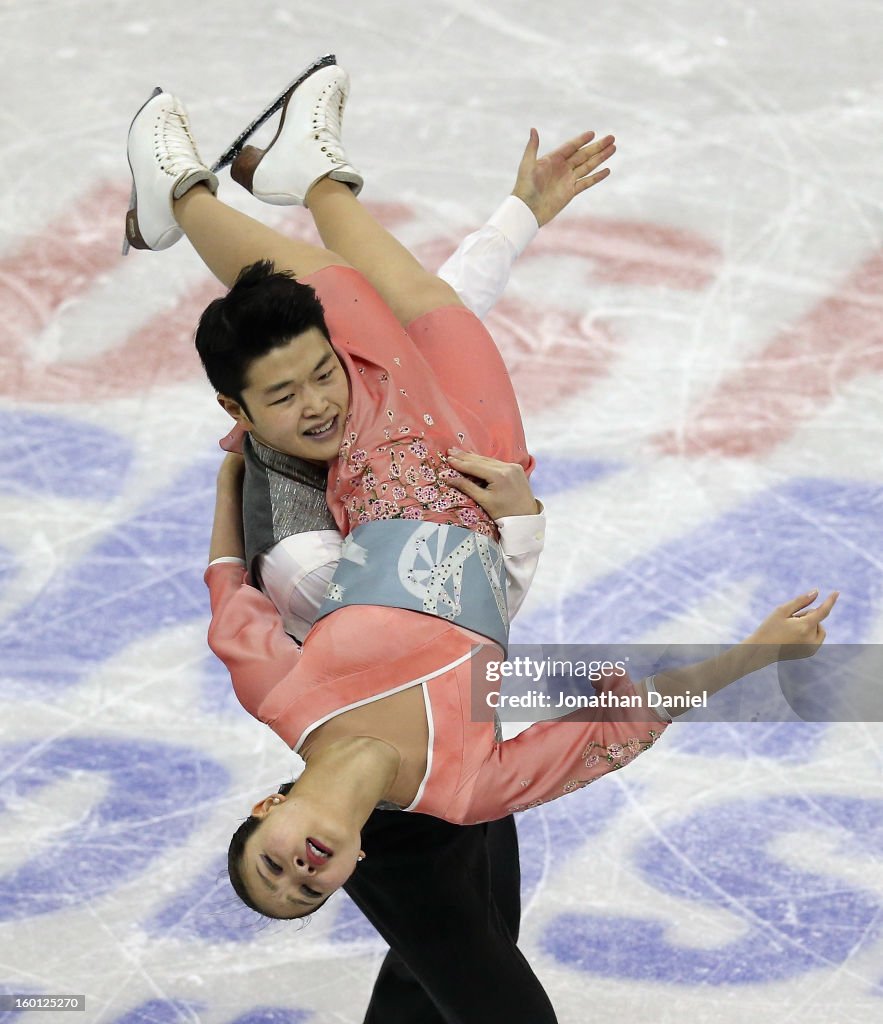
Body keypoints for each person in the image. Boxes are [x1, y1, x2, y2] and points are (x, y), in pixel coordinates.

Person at [125, 60, 838, 931]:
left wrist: (233, 476)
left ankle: (187, 195)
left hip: (389, 467)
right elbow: (618, 726)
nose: (299, 874)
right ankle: (305, 177)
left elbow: (228, 597)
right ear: (351, 865)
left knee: (343, 296)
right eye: (309, 891)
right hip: (485, 469)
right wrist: (750, 656)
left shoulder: (285, 697)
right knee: (435, 309)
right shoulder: (466, 787)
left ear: (266, 810)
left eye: (272, 867)